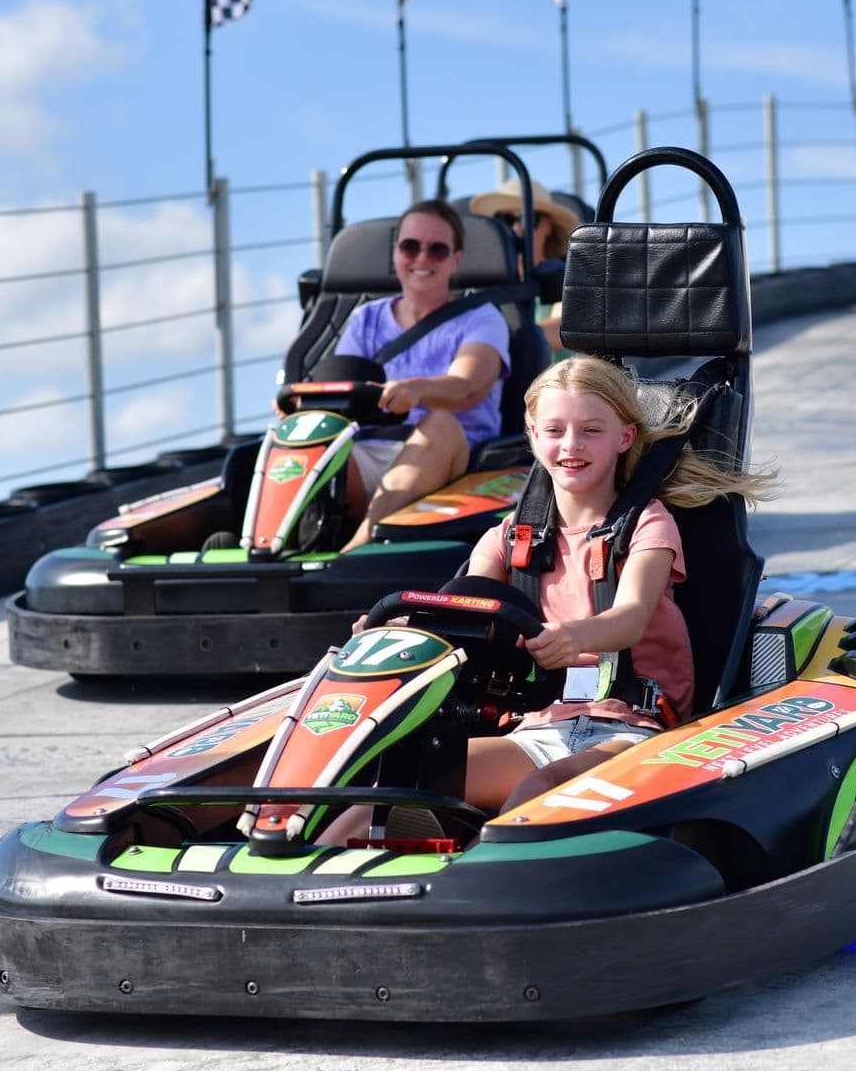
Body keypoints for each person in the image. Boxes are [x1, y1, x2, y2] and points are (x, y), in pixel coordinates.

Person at [458, 356, 778, 814]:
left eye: (591, 430)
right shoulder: (508, 537)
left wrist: (572, 637)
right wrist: (401, 631)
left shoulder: (649, 525)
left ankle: (490, 853)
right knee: (412, 771)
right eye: (555, 430)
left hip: (631, 731)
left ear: (625, 438)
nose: (571, 444)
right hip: (538, 726)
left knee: (542, 790)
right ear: (533, 435)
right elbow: (468, 608)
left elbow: (631, 617)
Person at [332, 198, 509, 551]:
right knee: (303, 435)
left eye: (437, 250)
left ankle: (360, 546)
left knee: (440, 422)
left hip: (451, 459)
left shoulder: (482, 318)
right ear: (396, 252)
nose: (422, 258)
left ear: (456, 259)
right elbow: (342, 385)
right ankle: (269, 542)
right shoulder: (366, 318)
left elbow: (467, 388)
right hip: (366, 450)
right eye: (410, 246)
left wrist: (415, 390)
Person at [469, 176, 581, 351]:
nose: (515, 229)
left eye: (526, 219)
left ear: (547, 225)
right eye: (505, 220)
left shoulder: (568, 279)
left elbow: (568, 325)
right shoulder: (481, 287)